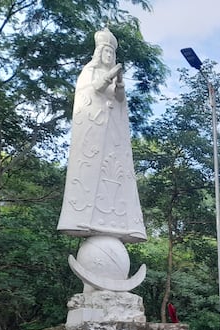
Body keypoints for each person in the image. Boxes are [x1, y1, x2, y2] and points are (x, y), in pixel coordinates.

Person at [58, 28, 146, 243]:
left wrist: (120, 83)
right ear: (99, 52)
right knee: (90, 174)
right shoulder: (90, 71)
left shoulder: (115, 75)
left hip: (113, 136)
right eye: (106, 52)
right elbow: (95, 89)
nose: (109, 56)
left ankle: (121, 221)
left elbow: (120, 99)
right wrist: (110, 75)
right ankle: (82, 218)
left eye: (112, 53)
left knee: (117, 173)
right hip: (94, 133)